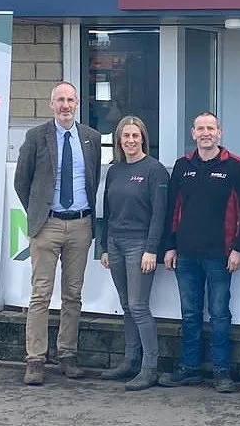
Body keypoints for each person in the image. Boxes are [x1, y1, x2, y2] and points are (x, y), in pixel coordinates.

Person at [158, 111, 240, 393]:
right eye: (200, 129)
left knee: (219, 314)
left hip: (220, 255)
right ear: (193, 133)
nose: (205, 133)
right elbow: (171, 210)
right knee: (189, 314)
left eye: (210, 128)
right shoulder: (182, 166)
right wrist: (169, 245)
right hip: (186, 254)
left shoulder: (235, 166)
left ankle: (222, 372)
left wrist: (239, 248)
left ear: (219, 133)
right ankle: (190, 369)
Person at [14, 81, 102, 386]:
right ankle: (35, 359)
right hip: (47, 225)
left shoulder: (91, 138)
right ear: (52, 104)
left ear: (77, 104)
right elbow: (21, 182)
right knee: (40, 295)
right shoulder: (36, 136)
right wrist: (38, 213)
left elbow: (94, 180)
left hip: (80, 225)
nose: (66, 106)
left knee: (73, 295)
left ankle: (67, 354)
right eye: (60, 100)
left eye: (70, 100)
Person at [97, 115, 169, 391]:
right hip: (115, 243)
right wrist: (104, 246)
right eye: (125, 136)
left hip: (140, 245)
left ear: (143, 139)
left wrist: (152, 249)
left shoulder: (155, 170)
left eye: (135, 136)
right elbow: (107, 210)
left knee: (139, 306)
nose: (130, 141)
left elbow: (159, 214)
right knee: (126, 305)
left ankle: (150, 367)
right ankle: (130, 360)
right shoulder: (114, 170)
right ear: (118, 140)